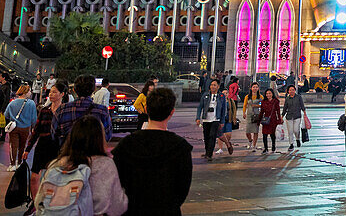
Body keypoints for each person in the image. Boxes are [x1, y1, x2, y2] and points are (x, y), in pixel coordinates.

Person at [113, 87, 192, 216]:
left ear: (146, 110)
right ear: (172, 112)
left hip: (133, 210)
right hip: (167, 210)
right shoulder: (180, 147)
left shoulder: (126, 144)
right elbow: (182, 189)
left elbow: (116, 184)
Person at [34, 115, 127, 215]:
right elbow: (118, 207)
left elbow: (39, 202)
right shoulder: (105, 165)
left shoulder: (57, 164)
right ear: (100, 139)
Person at [23, 79, 67, 206]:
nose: (51, 94)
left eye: (54, 92)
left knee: (54, 177)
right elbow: (36, 131)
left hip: (58, 147)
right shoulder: (44, 110)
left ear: (62, 94)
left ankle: (52, 204)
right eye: (51, 92)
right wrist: (27, 149)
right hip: (42, 145)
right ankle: (35, 204)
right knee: (34, 177)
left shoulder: (65, 111)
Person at [52, 74, 112, 144]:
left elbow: (54, 134)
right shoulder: (102, 111)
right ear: (94, 89)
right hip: (93, 152)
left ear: (74, 90)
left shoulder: (62, 109)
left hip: (69, 152)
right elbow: (107, 136)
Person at [194, 79, 229, 161]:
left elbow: (224, 110)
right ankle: (207, 152)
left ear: (218, 86)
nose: (212, 86)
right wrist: (198, 117)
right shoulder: (205, 95)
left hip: (216, 119)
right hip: (206, 119)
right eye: (211, 85)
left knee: (212, 136)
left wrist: (222, 121)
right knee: (206, 136)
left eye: (214, 85)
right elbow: (200, 107)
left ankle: (209, 154)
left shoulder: (221, 96)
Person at [5, 85, 36, 169]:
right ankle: (19, 163)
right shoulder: (31, 103)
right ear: (25, 92)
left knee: (13, 146)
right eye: (29, 91)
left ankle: (12, 165)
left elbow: (6, 115)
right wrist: (33, 128)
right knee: (22, 146)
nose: (30, 93)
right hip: (25, 128)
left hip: (14, 128)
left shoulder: (12, 103)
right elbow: (34, 118)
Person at [281, 84, 306, 151]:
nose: (291, 91)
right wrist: (282, 116)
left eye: (293, 90)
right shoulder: (287, 98)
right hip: (289, 117)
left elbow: (302, 106)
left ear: (295, 90)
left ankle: (297, 139)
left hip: (297, 116)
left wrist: (305, 113)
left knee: (296, 130)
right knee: (290, 131)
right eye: (290, 90)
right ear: (288, 91)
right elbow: (285, 108)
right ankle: (291, 144)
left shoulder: (298, 97)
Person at [259, 88, 282, 153]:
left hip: (273, 119)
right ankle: (265, 148)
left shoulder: (275, 101)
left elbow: (278, 111)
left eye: (269, 93)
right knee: (264, 134)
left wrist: (279, 119)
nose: (268, 95)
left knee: (272, 134)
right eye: (267, 93)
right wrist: (259, 120)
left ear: (272, 94)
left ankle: (273, 146)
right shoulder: (263, 102)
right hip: (266, 119)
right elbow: (261, 111)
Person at [242, 82, 262, 151]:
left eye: (256, 87)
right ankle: (250, 140)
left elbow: (262, 105)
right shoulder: (247, 97)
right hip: (249, 115)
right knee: (248, 131)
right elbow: (245, 105)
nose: (255, 88)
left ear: (258, 88)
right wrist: (244, 113)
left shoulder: (260, 97)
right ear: (251, 88)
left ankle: (254, 145)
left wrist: (257, 106)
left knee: (255, 131)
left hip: (257, 115)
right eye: (254, 87)